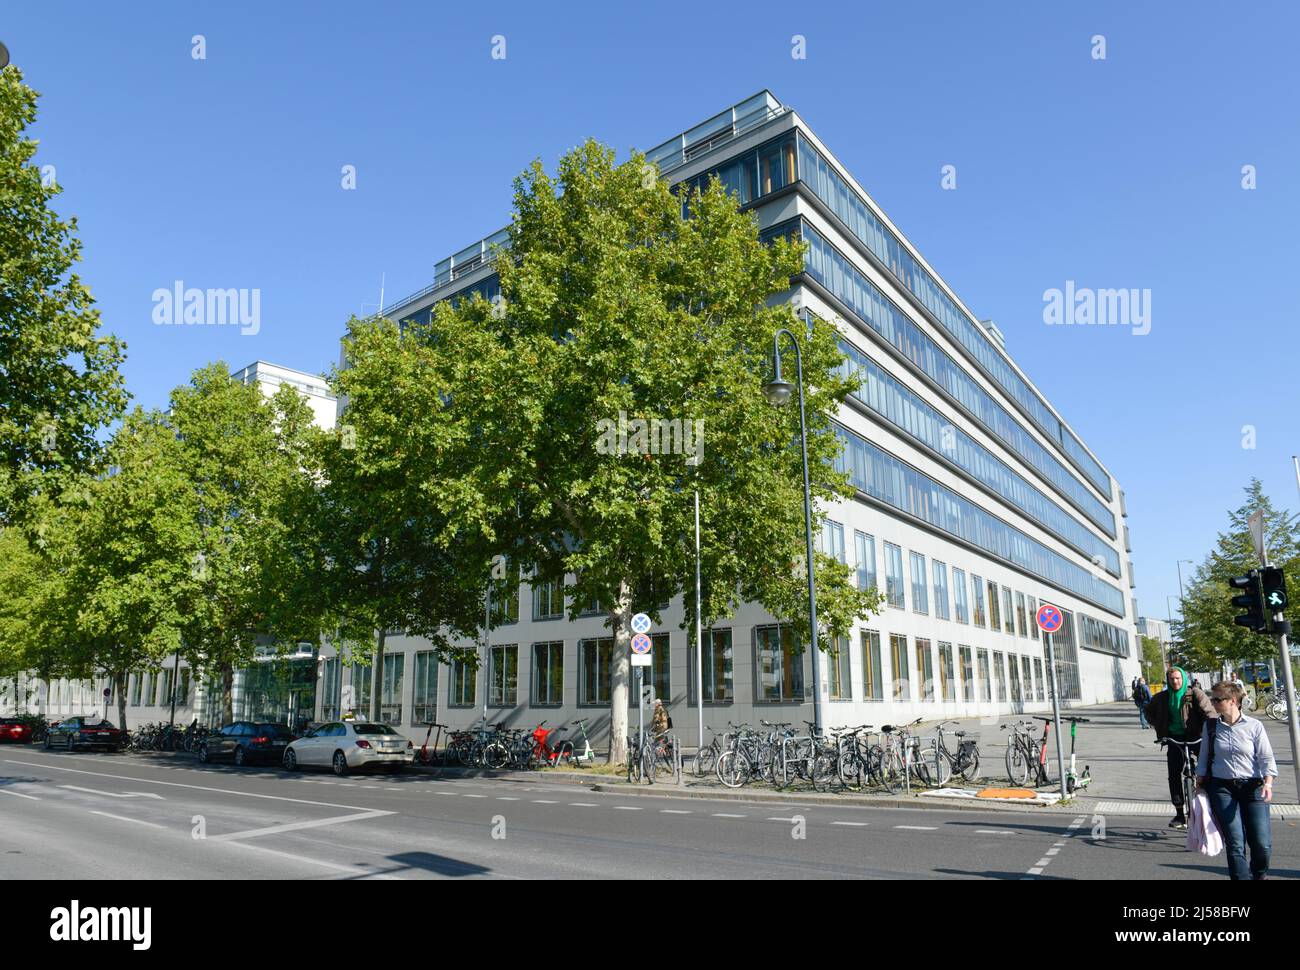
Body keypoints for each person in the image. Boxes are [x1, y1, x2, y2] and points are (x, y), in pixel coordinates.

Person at [1196, 681, 1276, 879]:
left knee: (1261, 844)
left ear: (1233, 701)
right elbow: (1204, 756)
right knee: (1235, 842)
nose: (1213, 702)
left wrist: (1268, 783)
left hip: (1253, 787)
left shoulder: (1254, 726)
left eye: (1217, 699)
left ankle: (1258, 874)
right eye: (1212, 698)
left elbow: (1266, 758)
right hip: (1222, 788)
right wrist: (1199, 781)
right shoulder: (1211, 726)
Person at [1145, 665, 1216, 829]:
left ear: (1183, 679)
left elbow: (1209, 712)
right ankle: (1179, 813)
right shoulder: (1162, 697)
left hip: (1196, 737)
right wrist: (1158, 725)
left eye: (1178, 678)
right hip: (1173, 738)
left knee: (1208, 770)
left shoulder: (1195, 694)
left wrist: (1210, 730)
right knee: (1174, 774)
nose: (1175, 681)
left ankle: (1211, 805)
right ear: (1168, 681)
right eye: (1172, 679)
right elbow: (1148, 710)